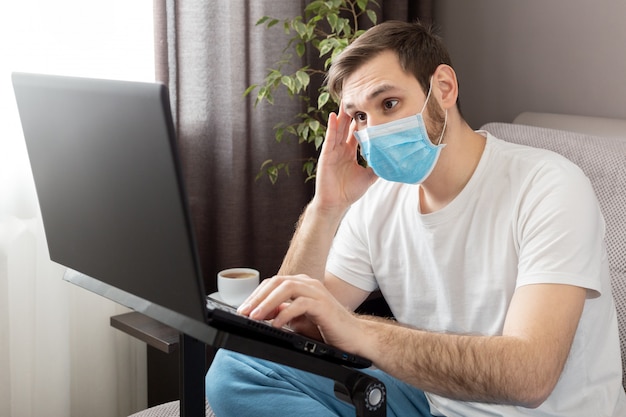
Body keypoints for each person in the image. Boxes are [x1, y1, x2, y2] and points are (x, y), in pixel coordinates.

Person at [205, 20, 626, 416]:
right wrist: (326, 206)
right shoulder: (377, 200)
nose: (374, 128)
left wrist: (356, 330)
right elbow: (289, 331)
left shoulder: (549, 186)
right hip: (435, 402)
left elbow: (530, 377)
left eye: (389, 103)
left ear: (443, 87)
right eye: (360, 117)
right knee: (239, 366)